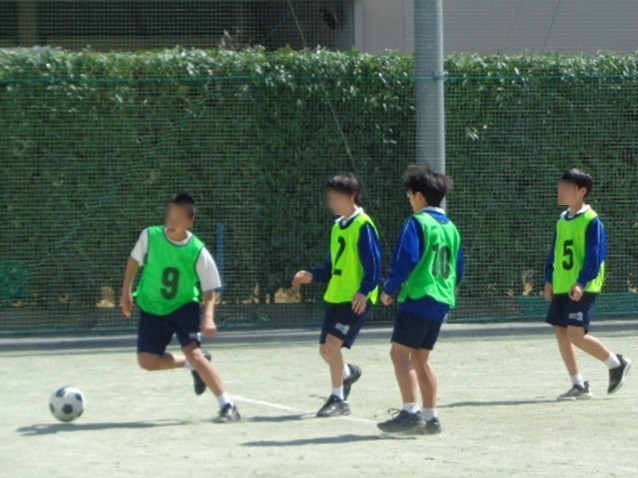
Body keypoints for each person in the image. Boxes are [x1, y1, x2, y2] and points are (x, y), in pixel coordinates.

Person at [120, 193, 240, 423]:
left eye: (178, 217)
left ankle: (228, 406)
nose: (171, 221)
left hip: (183, 307)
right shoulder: (150, 236)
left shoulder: (197, 250)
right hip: (152, 309)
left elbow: (209, 289)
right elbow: (134, 260)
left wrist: (209, 317)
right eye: (169, 215)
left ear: (190, 221)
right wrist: (126, 291)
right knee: (147, 361)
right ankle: (191, 366)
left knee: (193, 352)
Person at [377, 165, 464, 435]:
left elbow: (407, 259)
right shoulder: (452, 229)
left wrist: (390, 288)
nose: (410, 202)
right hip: (441, 300)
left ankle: (410, 412)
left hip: (419, 297)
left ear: (419, 197)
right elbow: (459, 268)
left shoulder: (416, 223)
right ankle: (431, 417)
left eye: (409, 196)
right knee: (421, 358)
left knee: (398, 353)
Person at [293, 174, 382, 417]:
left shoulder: (363, 225)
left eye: (336, 198)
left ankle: (339, 400)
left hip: (355, 300)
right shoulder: (337, 227)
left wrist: (364, 291)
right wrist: (312, 275)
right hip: (336, 296)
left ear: (351, 196)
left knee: (332, 346)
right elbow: (331, 267)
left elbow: (375, 265)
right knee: (325, 351)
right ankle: (348, 374)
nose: (331, 202)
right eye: (330, 198)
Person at [544, 169, 631, 400]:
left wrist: (582, 283)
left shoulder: (592, 221)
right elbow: (554, 253)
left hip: (582, 288)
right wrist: (549, 280)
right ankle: (579, 384)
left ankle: (616, 363)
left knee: (575, 334)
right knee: (561, 331)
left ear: (582, 191)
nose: (560, 191)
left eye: (566, 188)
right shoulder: (562, 220)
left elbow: (595, 257)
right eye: (560, 186)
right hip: (562, 286)